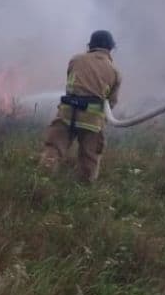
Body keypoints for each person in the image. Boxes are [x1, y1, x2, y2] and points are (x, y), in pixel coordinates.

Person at [41, 30, 122, 182]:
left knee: (54, 148)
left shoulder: (76, 60)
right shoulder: (115, 71)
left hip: (67, 113)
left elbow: (71, 85)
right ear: (111, 48)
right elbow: (111, 102)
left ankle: (42, 181)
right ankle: (84, 186)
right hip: (92, 120)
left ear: (90, 45)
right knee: (90, 157)